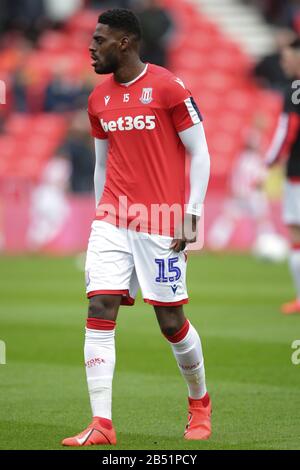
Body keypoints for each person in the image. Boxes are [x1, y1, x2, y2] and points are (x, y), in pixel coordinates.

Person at [62, 9, 211, 447]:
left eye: (99, 40)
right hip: (112, 219)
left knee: (170, 320)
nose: (91, 47)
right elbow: (101, 164)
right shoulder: (98, 100)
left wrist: (193, 212)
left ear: (124, 42)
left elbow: (200, 152)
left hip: (162, 218)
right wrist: (98, 216)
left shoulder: (169, 86)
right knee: (100, 307)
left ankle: (199, 403)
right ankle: (101, 424)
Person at [265, 37, 300, 314]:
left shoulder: (296, 88)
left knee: (296, 236)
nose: (283, 62)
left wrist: (270, 161)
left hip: (297, 175)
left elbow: (288, 129)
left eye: (287, 57)